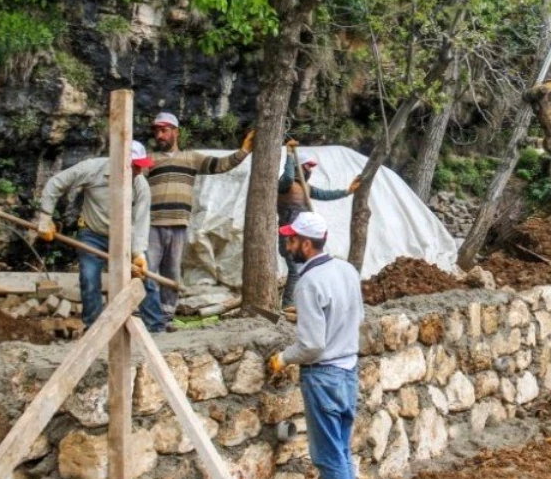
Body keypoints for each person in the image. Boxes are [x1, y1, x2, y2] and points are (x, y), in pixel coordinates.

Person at [266, 212, 362, 479]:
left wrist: (282, 358)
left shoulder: (308, 282)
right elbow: (349, 313)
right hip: (348, 369)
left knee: (327, 452)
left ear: (306, 244)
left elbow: (311, 346)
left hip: (323, 375)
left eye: (291, 239)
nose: (287, 244)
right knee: (342, 448)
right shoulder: (346, 270)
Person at [37, 141, 165, 333]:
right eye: (135, 166)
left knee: (144, 276)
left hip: (124, 237)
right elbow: (56, 183)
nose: (139, 171)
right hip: (92, 233)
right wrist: (46, 216)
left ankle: (155, 327)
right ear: (121, 163)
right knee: (89, 278)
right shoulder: (92, 169)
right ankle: (94, 329)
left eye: (141, 166)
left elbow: (141, 221)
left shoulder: (140, 185)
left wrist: (138, 252)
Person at [147, 112, 254, 326]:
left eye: (164, 130)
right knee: (148, 271)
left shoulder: (192, 158)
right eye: (157, 131)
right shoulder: (149, 160)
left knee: (172, 271)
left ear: (175, 132)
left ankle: (167, 317)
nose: (160, 135)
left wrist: (244, 151)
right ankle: (150, 317)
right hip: (153, 223)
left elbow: (221, 165)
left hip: (179, 224)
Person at [277, 144, 359, 308]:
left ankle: (301, 303)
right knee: (295, 272)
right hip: (290, 237)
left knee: (305, 271)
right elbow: (287, 176)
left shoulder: (306, 188)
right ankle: (287, 306)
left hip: (304, 238)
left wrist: (347, 191)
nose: (310, 170)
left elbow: (325, 194)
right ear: (298, 167)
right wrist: (290, 155)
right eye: (307, 166)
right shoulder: (285, 185)